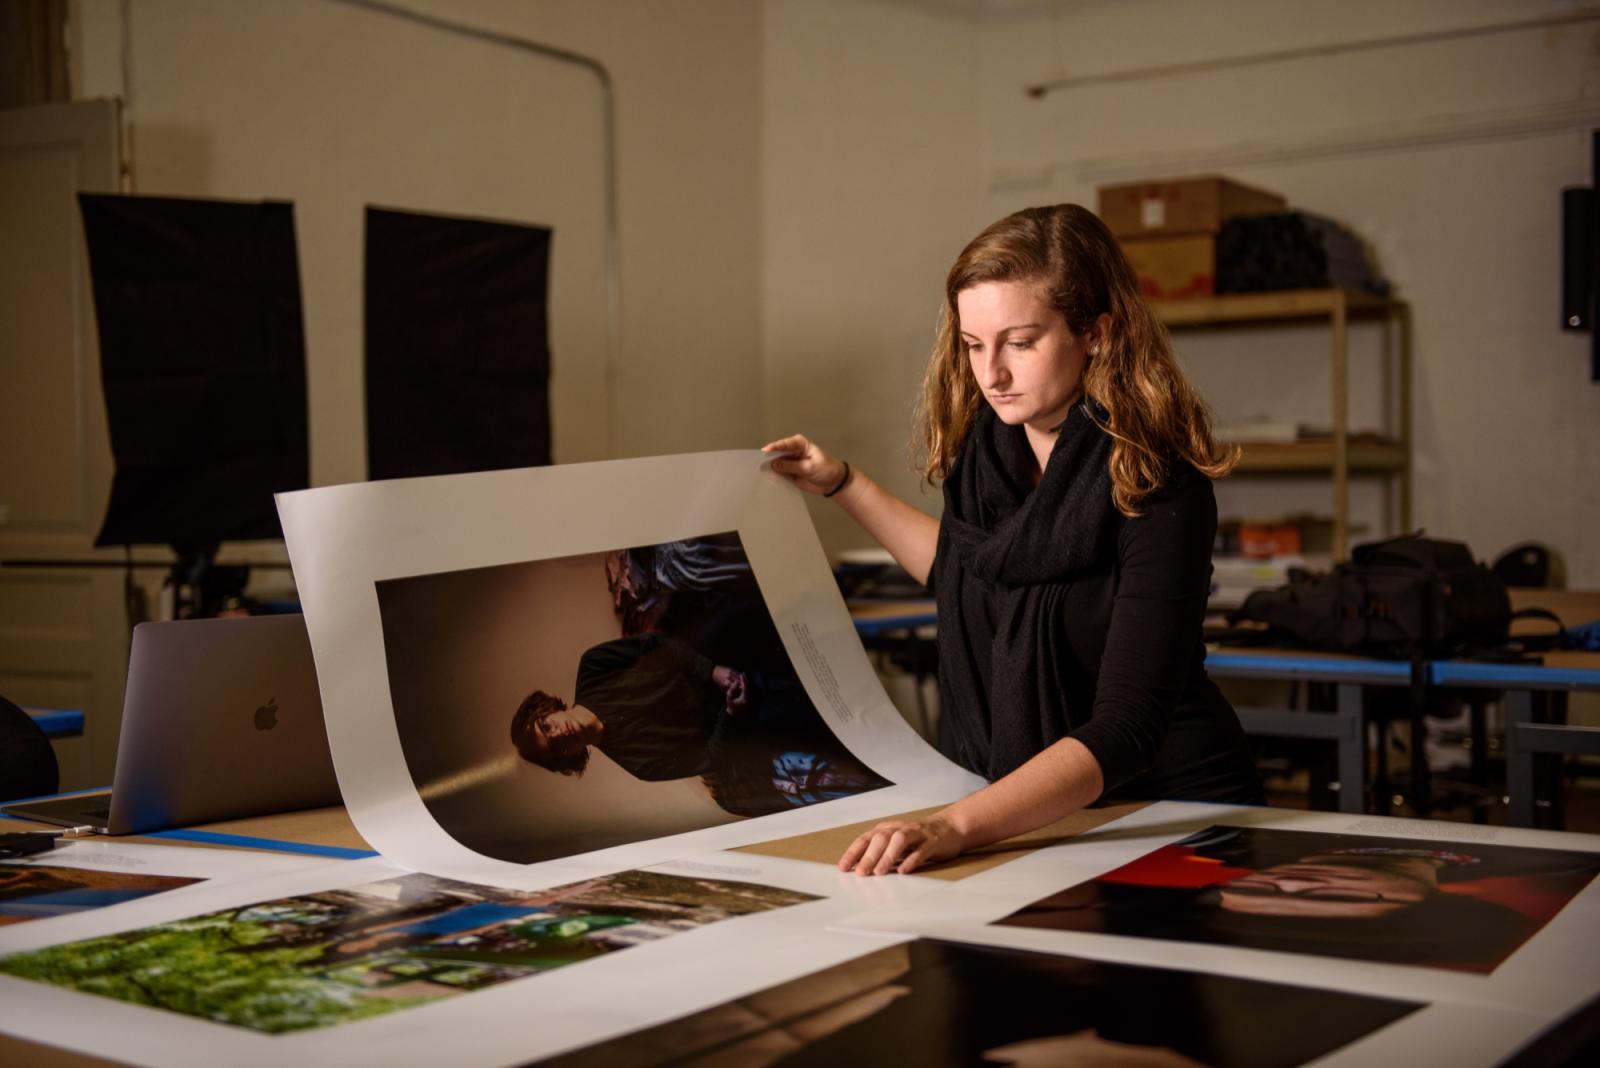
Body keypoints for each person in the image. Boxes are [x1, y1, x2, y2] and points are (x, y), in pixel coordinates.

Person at [764, 203, 1263, 877]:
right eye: (974, 345)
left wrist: (956, 824)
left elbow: (1126, 729)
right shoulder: (985, 462)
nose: (991, 373)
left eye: (1020, 343)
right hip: (1038, 818)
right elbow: (962, 571)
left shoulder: (1158, 485)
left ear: (1096, 332)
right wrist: (841, 483)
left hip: (1171, 816)